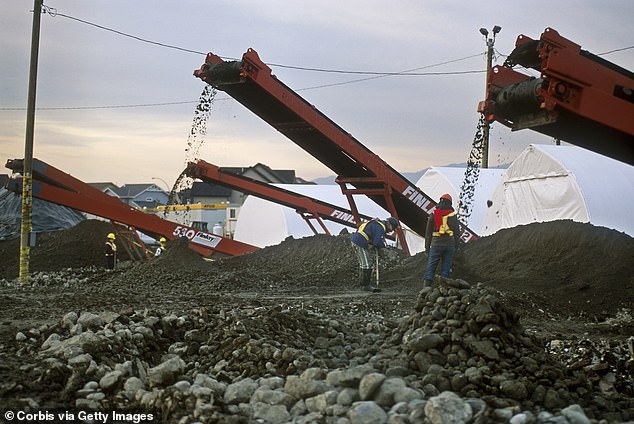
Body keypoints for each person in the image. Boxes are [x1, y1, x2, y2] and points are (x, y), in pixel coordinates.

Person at [351, 216, 399, 291]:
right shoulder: (380, 227)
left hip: (356, 241)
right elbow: (376, 242)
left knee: (363, 263)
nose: (391, 231)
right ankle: (365, 286)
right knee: (367, 264)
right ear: (389, 224)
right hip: (360, 242)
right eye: (392, 228)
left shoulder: (377, 223)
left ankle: (363, 284)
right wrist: (382, 245)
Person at [423, 193, 461, 287]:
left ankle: (426, 288)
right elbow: (457, 233)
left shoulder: (434, 215)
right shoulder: (453, 215)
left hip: (436, 244)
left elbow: (428, 234)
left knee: (431, 266)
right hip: (449, 244)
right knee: (446, 267)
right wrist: (457, 246)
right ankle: (443, 288)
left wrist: (427, 248)